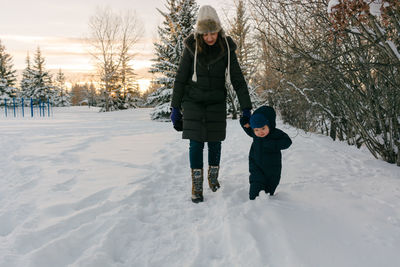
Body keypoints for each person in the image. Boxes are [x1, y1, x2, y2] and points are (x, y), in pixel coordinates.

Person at [170, 5, 252, 203]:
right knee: (196, 142)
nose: (209, 37)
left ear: (218, 30)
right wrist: (175, 107)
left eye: (212, 32)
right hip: (193, 100)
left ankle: (213, 176)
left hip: (216, 100)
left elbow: (238, 79)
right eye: (205, 33)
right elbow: (181, 78)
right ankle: (197, 185)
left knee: (215, 141)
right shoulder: (191, 48)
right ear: (200, 32)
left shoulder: (226, 48)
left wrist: (246, 107)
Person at [240, 106, 292, 200]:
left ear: (269, 124)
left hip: (273, 169)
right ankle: (253, 206)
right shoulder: (254, 134)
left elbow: (287, 142)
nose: (260, 132)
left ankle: (267, 208)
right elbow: (244, 124)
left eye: (263, 128)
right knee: (255, 191)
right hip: (256, 167)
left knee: (269, 191)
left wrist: (273, 144)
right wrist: (245, 116)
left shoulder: (275, 133)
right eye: (256, 130)